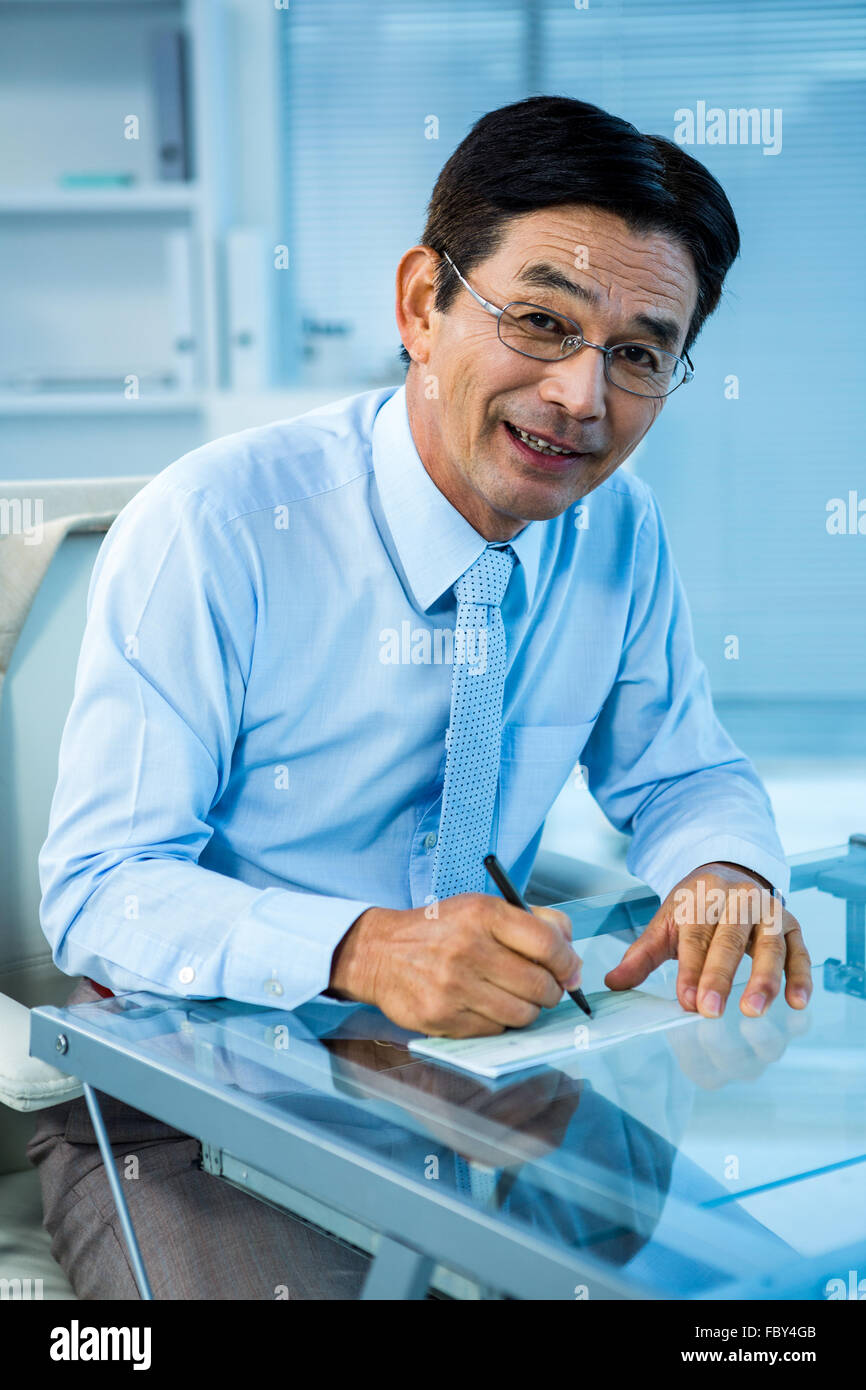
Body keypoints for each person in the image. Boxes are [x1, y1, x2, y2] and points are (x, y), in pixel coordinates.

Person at [29, 95, 811, 1300]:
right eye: (540, 322)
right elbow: (97, 889)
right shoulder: (216, 527)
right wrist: (359, 948)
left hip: (497, 1083)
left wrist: (723, 869)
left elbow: (680, 771)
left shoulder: (615, 531)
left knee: (768, 1297)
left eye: (638, 352)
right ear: (419, 304)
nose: (579, 398)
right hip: (189, 1109)